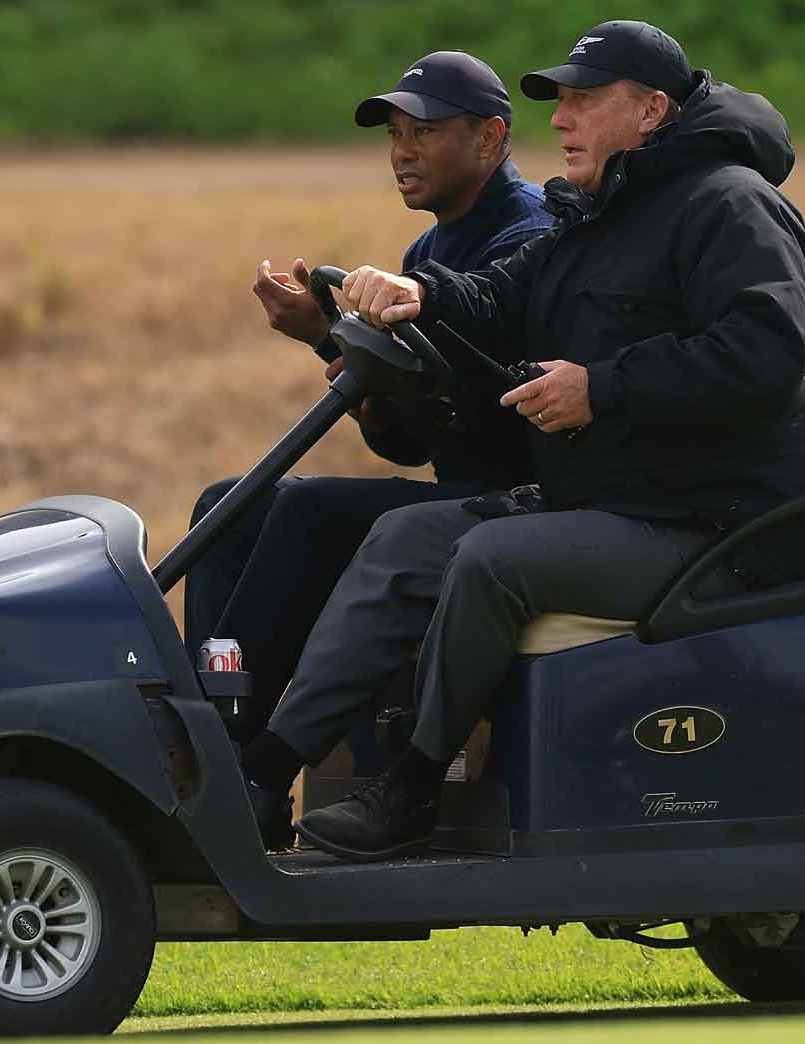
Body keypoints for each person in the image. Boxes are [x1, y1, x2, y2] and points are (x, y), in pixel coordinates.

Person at [237, 20, 805, 861]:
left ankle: (414, 786)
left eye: (584, 100)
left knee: (493, 557)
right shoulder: (599, 216)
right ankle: (258, 775)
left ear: (652, 109)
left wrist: (601, 388)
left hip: (712, 523)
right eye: (561, 102)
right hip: (618, 503)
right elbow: (497, 295)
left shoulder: (732, 203)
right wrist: (416, 291)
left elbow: (764, 354)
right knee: (406, 536)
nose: (562, 119)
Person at [185, 51, 550, 849]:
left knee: (310, 510)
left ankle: (242, 769)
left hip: (522, 502)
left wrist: (360, 359)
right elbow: (408, 441)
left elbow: (489, 420)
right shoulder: (429, 253)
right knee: (227, 503)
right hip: (458, 490)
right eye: (393, 134)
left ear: (490, 139)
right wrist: (330, 340)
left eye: (423, 132)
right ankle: (208, 731)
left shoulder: (530, 239)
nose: (401, 153)